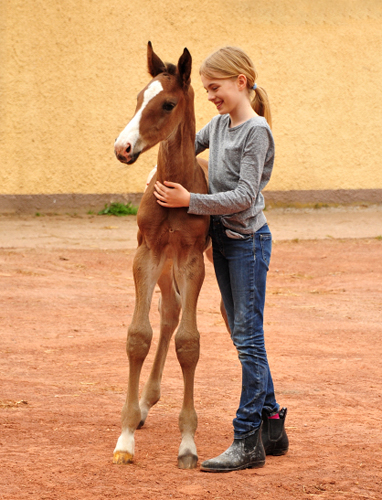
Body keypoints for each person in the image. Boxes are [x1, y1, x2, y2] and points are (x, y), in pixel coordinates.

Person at [154, 46, 288, 473]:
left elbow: (246, 197)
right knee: (239, 331)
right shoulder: (219, 125)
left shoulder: (256, 131)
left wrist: (189, 200)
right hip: (224, 245)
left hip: (249, 243)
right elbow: (180, 144)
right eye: (206, 89)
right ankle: (272, 422)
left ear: (240, 82)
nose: (209, 95)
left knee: (248, 338)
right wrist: (154, 164)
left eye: (215, 88)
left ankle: (247, 438)